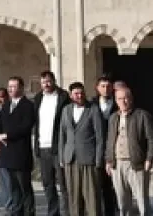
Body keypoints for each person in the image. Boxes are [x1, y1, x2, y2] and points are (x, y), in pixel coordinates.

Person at [103, 83, 153, 216]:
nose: (124, 101)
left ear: (131, 99)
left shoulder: (142, 115)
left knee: (142, 200)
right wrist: (109, 160)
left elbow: (152, 139)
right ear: (116, 101)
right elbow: (110, 140)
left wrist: (150, 158)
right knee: (122, 202)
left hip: (137, 163)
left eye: (126, 98)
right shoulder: (113, 118)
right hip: (117, 164)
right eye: (120, 99)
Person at [58, 81, 106, 216]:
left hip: (88, 160)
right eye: (76, 94)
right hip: (70, 159)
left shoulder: (93, 109)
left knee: (91, 198)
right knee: (73, 197)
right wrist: (62, 157)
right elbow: (62, 135)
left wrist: (98, 160)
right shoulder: (66, 110)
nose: (79, 96)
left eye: (81, 93)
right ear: (70, 95)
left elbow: (100, 136)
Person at [0, 78, 36, 216]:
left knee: (24, 188)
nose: (11, 89)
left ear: (21, 88)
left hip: (21, 154)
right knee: (13, 188)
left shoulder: (28, 106)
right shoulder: (6, 105)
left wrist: (7, 135)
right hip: (7, 153)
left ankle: (29, 212)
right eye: (9, 86)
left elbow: (26, 127)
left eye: (14, 86)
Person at [33, 70, 70, 216]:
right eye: (43, 82)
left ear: (54, 81)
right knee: (48, 183)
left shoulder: (63, 97)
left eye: (48, 81)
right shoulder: (37, 98)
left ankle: (67, 212)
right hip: (43, 146)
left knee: (63, 183)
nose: (46, 85)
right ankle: (53, 212)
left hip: (59, 146)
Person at [92, 76, 117, 216]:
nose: (105, 89)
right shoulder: (92, 105)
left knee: (111, 186)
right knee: (96, 185)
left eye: (108, 86)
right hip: (96, 150)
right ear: (97, 88)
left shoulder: (118, 104)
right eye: (102, 86)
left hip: (113, 149)